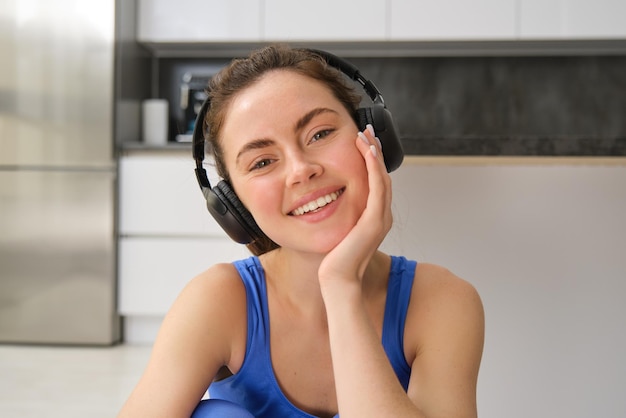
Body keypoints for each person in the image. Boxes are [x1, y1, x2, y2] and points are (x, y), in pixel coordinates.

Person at [117, 44, 484, 418]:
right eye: (262, 161)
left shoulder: (442, 301)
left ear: (373, 139)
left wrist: (341, 287)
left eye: (320, 134)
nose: (300, 170)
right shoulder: (219, 300)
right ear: (235, 205)